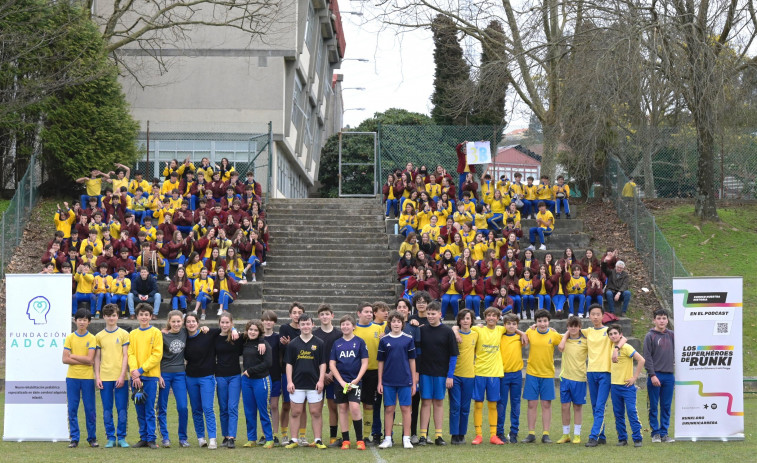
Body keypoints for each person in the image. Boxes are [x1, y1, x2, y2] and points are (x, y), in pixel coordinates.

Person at [460, 307, 507, 445]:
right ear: (485, 317)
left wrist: (522, 332)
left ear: (498, 318)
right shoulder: (478, 330)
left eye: (494, 316)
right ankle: (478, 435)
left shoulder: (501, 330)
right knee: (478, 405)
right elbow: (458, 327)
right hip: (479, 372)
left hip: (494, 373)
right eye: (489, 315)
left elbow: (513, 327)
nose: (491, 318)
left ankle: (493, 436)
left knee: (493, 405)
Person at [584, 304, 627, 447]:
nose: (595, 317)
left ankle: (593, 436)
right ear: (589, 316)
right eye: (592, 314)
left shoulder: (608, 331)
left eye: (598, 314)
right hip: (591, 372)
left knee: (600, 405)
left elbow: (623, 338)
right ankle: (601, 436)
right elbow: (571, 331)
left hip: (605, 373)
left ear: (603, 316)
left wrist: (616, 349)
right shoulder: (588, 331)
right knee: (595, 405)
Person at [417, 301, 458, 446]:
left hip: (441, 373)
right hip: (425, 372)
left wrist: (450, 375)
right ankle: (423, 435)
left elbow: (453, 356)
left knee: (439, 402)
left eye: (433, 314)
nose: (430, 316)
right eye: (428, 314)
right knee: (426, 402)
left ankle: (438, 435)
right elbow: (418, 353)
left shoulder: (447, 332)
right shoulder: (422, 330)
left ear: (440, 314)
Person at [284, 314, 328, 449]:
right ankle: (293, 440)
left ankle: (318, 440)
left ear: (313, 325)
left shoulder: (319, 343)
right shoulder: (292, 344)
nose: (306, 326)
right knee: (295, 412)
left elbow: (323, 364)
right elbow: (289, 364)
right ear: (299, 326)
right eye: (303, 324)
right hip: (297, 384)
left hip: (314, 384)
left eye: (308, 323)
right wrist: (289, 382)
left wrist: (321, 381)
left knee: (316, 412)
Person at [377, 311, 417, 449]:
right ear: (390, 323)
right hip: (388, 381)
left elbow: (412, 361)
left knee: (406, 408)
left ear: (402, 324)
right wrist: (380, 381)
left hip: (405, 380)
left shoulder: (408, 339)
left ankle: (406, 438)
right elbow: (380, 362)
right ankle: (387, 438)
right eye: (393, 321)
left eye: (398, 322)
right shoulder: (384, 340)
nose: (396, 324)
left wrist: (413, 381)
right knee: (389, 408)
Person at [329, 314, 370, 450]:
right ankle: (346, 440)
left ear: (354, 326)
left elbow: (365, 362)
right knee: (342, 408)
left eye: (348, 324)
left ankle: (360, 440)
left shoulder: (360, 342)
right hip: (340, 383)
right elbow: (332, 365)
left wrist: (356, 380)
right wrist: (340, 381)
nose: (345, 327)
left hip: (355, 382)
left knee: (354, 407)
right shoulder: (337, 343)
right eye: (343, 324)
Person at [522, 309, 562, 443]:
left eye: (545, 321)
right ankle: (531, 433)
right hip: (532, 373)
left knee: (546, 404)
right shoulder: (530, 332)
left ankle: (546, 434)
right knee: (531, 404)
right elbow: (522, 337)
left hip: (548, 374)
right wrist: (529, 328)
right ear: (536, 322)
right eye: (539, 321)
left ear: (549, 322)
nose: (542, 324)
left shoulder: (554, 335)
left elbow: (565, 341)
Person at [128, 303, 164, 449]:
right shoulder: (133, 334)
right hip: (136, 378)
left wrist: (141, 370)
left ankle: (151, 438)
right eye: (141, 314)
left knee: (149, 408)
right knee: (139, 409)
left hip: (150, 377)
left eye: (146, 314)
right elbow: (130, 354)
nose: (143, 317)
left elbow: (157, 355)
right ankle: (143, 438)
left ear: (150, 316)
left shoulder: (156, 333)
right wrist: (135, 373)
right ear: (137, 316)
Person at [94, 305, 130, 448]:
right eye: (108, 315)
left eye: (113, 315)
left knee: (121, 409)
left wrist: (122, 375)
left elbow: (126, 356)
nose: (111, 318)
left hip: (121, 378)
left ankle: (121, 437)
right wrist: (97, 377)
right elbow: (97, 358)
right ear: (104, 317)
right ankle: (110, 437)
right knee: (107, 409)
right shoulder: (99, 336)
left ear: (118, 316)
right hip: (105, 377)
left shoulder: (123, 334)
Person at [63, 308, 98, 448]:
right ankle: (74, 438)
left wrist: (73, 356)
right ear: (75, 321)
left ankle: (92, 438)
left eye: (85, 320)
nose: (82, 322)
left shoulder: (92, 338)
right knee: (72, 408)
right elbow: (64, 359)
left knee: (90, 409)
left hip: (88, 378)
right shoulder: (70, 337)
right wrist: (83, 360)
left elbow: (90, 359)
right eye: (79, 319)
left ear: (89, 322)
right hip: (72, 377)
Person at [158, 310, 191, 448]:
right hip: (164, 374)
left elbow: (201, 330)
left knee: (183, 407)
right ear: (169, 322)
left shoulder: (185, 332)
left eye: (178, 321)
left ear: (182, 322)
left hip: (180, 374)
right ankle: (165, 437)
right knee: (162, 407)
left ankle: (183, 438)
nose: (176, 324)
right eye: (173, 321)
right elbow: (157, 356)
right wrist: (158, 375)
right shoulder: (162, 334)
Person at [608, 324, 645, 447]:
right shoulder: (610, 347)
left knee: (631, 411)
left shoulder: (627, 347)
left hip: (627, 387)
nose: (613, 336)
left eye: (615, 333)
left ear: (620, 334)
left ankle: (637, 438)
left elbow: (641, 360)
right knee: (618, 413)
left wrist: (634, 377)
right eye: (610, 334)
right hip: (614, 386)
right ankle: (622, 438)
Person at [241, 320, 275, 448]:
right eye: (250, 329)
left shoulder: (265, 344)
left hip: (261, 380)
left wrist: (250, 371)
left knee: (264, 410)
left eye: (255, 330)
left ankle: (269, 439)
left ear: (259, 332)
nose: (252, 332)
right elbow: (234, 334)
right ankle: (251, 439)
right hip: (246, 381)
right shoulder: (244, 342)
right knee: (249, 411)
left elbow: (267, 363)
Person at [353, 302, 383, 446]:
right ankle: (348, 436)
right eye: (366, 312)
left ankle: (366, 435)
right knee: (351, 404)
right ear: (359, 313)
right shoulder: (352, 329)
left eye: (371, 312)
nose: (369, 314)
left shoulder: (379, 328)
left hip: (373, 372)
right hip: (355, 373)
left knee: (369, 405)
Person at [313, 304, 344, 445]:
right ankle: (317, 438)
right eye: (322, 314)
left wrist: (331, 373)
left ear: (332, 315)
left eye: (327, 314)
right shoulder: (314, 334)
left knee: (332, 406)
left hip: (333, 377)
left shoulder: (339, 334)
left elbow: (340, 356)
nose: (324, 316)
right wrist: (322, 375)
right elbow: (314, 357)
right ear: (318, 317)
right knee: (317, 408)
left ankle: (333, 437)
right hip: (319, 377)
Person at [644, 308, 675, 443]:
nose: (662, 321)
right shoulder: (650, 336)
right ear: (654, 320)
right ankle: (655, 433)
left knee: (666, 406)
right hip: (655, 376)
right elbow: (647, 357)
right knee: (653, 405)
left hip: (669, 376)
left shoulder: (673, 335)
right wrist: (652, 375)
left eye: (664, 318)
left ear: (667, 320)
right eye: (659, 318)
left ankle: (664, 433)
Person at [556, 316, 588, 444]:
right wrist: (566, 335)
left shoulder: (585, 341)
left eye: (576, 326)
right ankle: (565, 434)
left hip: (579, 378)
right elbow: (561, 348)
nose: (573, 328)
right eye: (571, 326)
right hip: (565, 378)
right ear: (567, 327)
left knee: (577, 406)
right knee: (564, 406)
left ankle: (577, 434)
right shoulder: (564, 339)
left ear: (580, 327)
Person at [215, 312, 244, 448]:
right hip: (220, 375)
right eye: (223, 322)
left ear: (232, 323)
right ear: (219, 323)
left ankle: (232, 437)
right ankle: (225, 436)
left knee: (232, 407)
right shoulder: (215, 336)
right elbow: (204, 331)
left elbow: (255, 334)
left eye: (228, 323)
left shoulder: (237, 337)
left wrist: (234, 331)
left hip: (234, 376)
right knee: (223, 407)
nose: (225, 325)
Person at [449, 309, 476, 445]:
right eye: (463, 318)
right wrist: (455, 330)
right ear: (459, 321)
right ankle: (454, 434)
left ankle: (462, 434)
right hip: (455, 375)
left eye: (468, 318)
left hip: (469, 376)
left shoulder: (476, 334)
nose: (465, 321)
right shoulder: (453, 334)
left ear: (472, 321)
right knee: (455, 405)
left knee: (465, 407)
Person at [278, 302, 303, 445]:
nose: (297, 315)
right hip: (287, 371)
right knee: (286, 404)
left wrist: (291, 344)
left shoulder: (306, 328)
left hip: (303, 372)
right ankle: (284, 434)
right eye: (294, 312)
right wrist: (290, 345)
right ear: (290, 314)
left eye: (300, 312)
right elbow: (283, 347)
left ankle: (301, 435)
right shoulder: (284, 328)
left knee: (300, 406)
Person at [497, 313, 525, 443]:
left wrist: (522, 333)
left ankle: (514, 432)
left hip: (516, 375)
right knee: (501, 404)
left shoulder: (521, 338)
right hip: (503, 375)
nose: (511, 326)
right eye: (508, 323)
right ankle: (499, 432)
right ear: (504, 325)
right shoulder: (500, 337)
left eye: (514, 324)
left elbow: (529, 333)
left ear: (517, 325)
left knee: (516, 404)